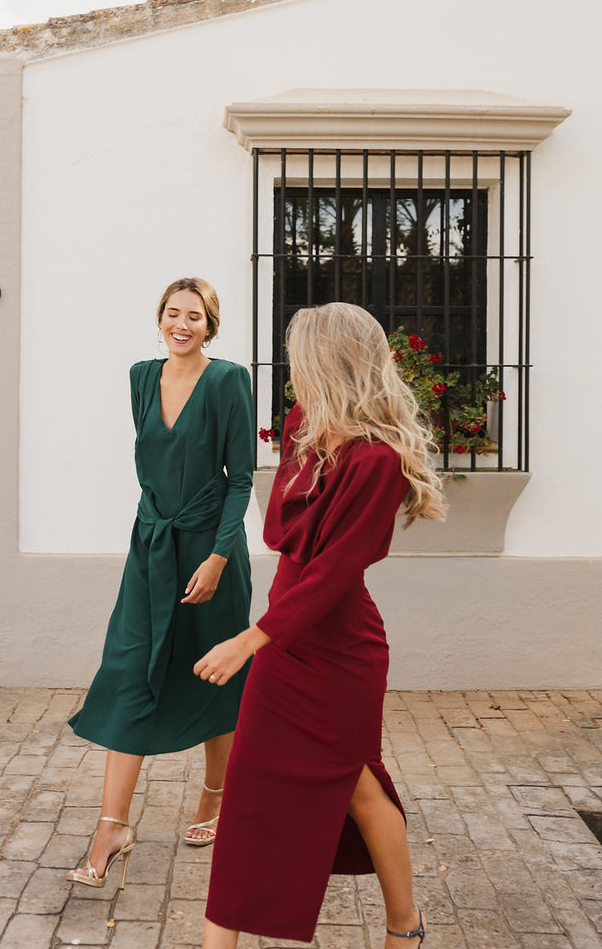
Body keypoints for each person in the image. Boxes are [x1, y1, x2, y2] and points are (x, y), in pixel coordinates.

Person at [194, 302, 447, 948]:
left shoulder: (378, 462)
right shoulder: (305, 426)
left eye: (299, 359)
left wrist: (250, 639)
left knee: (357, 787)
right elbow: (281, 529)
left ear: (329, 363)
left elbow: (333, 572)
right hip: (286, 636)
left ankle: (405, 926)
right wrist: (265, 637)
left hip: (337, 649)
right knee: (248, 795)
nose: (291, 374)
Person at [66, 277, 254, 890]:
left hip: (209, 552)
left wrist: (221, 558)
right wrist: (155, 539)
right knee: (130, 671)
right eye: (172, 313)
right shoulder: (141, 377)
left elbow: (240, 480)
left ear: (210, 324)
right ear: (160, 320)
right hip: (150, 547)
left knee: (213, 675)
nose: (181, 324)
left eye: (193, 316)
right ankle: (112, 825)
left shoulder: (229, 381)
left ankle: (215, 798)